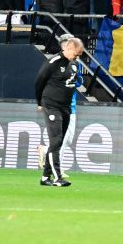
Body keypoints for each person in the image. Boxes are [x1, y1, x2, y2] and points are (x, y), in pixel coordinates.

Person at [35, 36, 85, 187]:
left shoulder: (74, 64)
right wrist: (39, 102)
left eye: (79, 55)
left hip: (66, 107)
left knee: (60, 141)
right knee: (56, 141)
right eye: (76, 54)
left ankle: (45, 177)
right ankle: (58, 177)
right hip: (51, 105)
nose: (77, 57)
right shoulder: (54, 62)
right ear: (68, 48)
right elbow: (39, 81)